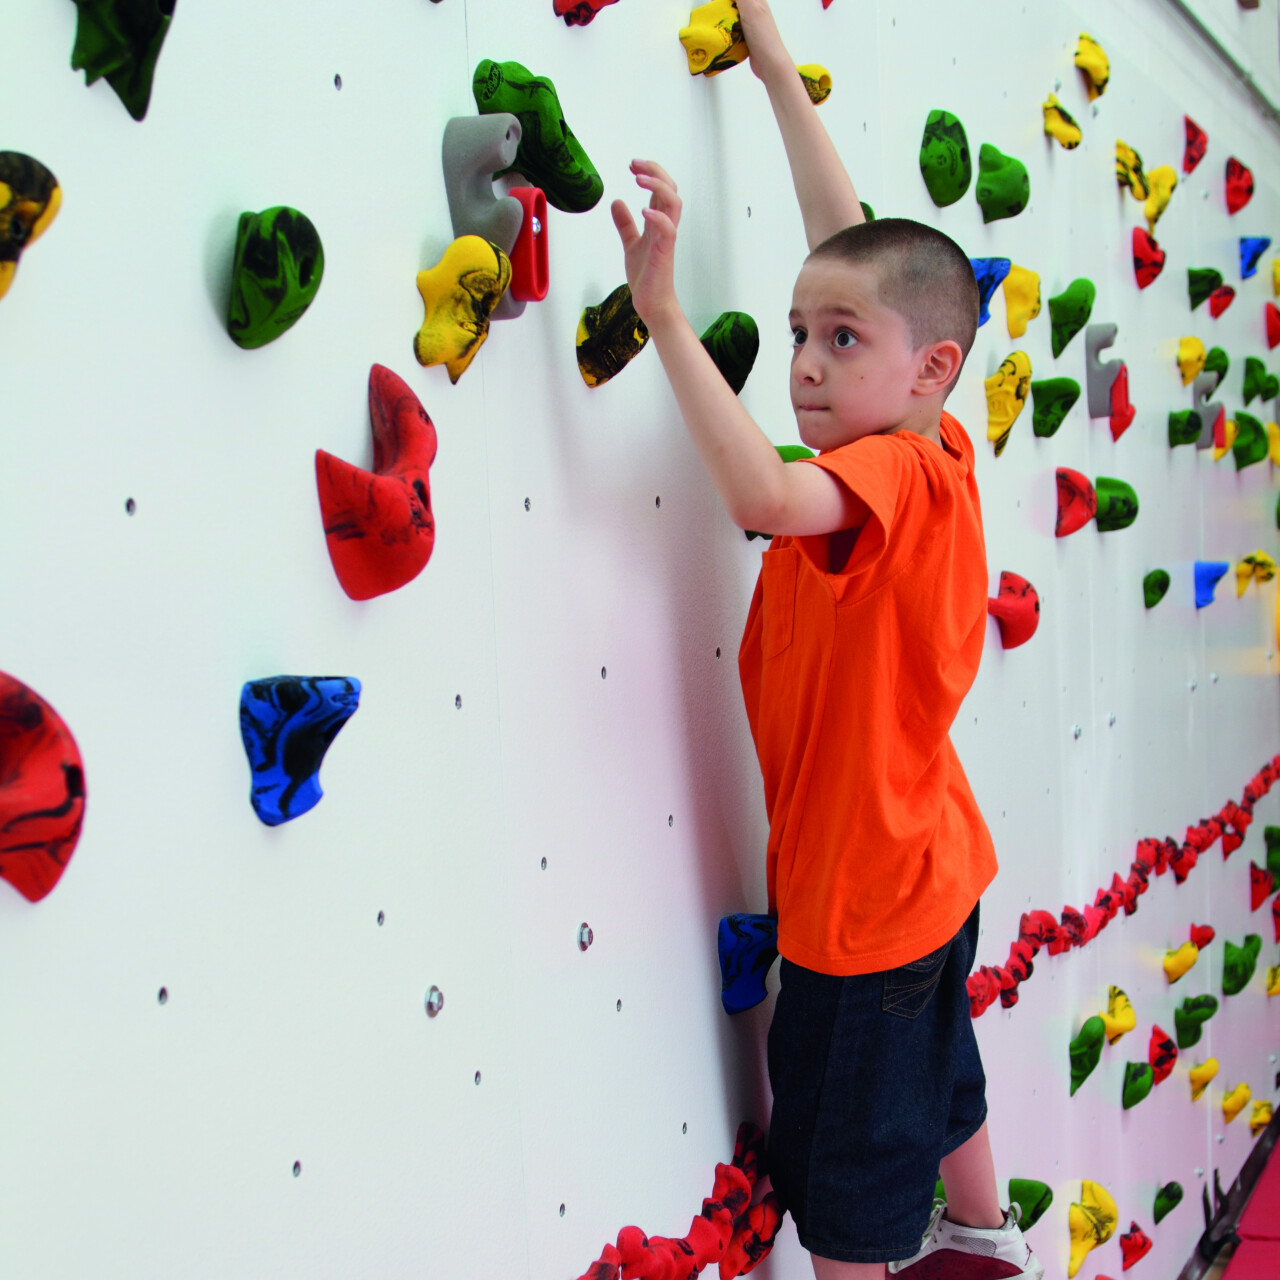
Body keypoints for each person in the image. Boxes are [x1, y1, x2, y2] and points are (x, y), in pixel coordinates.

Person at [609, 3, 1045, 1279]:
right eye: (798, 333)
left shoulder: (888, 480)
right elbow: (852, 243)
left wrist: (667, 318)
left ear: (930, 367)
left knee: (850, 1176)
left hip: (859, 913)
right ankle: (982, 1226)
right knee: (937, 1067)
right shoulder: (932, 432)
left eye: (834, 340)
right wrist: (776, 69)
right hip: (925, 867)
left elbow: (760, 498)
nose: (802, 363)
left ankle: (914, 1243)